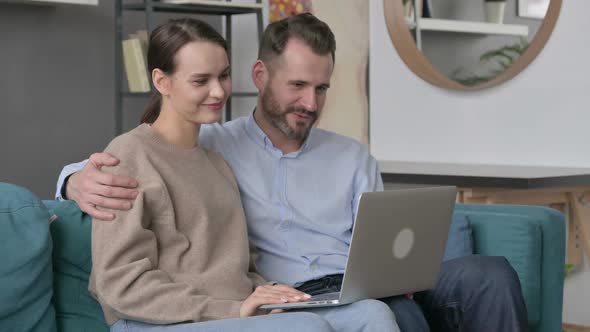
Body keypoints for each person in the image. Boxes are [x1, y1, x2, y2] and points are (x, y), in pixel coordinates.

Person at [57, 13, 527, 332]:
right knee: (393, 313)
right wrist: (73, 181)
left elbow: (384, 247)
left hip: (350, 283)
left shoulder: (341, 156)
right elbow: (133, 157)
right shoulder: (217, 140)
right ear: (261, 76)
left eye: (321, 88)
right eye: (297, 85)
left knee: (488, 274)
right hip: (288, 295)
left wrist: (396, 272)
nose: (310, 102)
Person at [85, 17, 400, 332]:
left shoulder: (216, 160)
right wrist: (231, 310)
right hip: (161, 321)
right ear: (162, 81)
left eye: (223, 76)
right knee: (306, 328)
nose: (218, 91)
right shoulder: (128, 155)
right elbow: (119, 286)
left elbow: (235, 268)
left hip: (233, 313)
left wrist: (270, 292)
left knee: (374, 314)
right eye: (200, 81)